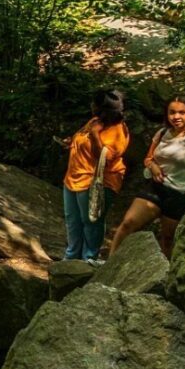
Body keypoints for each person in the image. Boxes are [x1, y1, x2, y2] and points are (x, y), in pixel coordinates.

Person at [108, 96, 185, 258]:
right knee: (128, 223)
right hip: (156, 188)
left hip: (182, 194)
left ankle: (165, 276)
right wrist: (153, 166)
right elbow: (148, 158)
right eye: (172, 112)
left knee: (168, 239)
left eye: (182, 112)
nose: (176, 116)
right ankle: (109, 264)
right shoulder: (162, 133)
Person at [61, 89, 129, 262]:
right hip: (73, 178)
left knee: (91, 222)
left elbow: (104, 158)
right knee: (73, 221)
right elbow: (82, 138)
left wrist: (95, 134)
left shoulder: (118, 131)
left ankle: (88, 260)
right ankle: (71, 259)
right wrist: (73, 142)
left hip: (96, 182)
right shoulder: (96, 121)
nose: (91, 105)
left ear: (102, 109)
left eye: (94, 103)